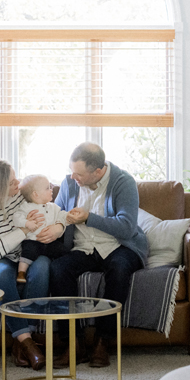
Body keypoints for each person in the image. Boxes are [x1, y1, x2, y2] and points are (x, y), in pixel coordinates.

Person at [50, 142, 148, 368]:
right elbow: (57, 213)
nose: (73, 177)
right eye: (72, 171)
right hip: (83, 247)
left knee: (120, 269)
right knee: (58, 269)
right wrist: (56, 224)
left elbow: (126, 227)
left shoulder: (123, 182)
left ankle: (103, 341)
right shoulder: (69, 183)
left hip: (118, 245)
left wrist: (88, 218)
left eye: (79, 174)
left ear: (98, 170)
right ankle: (73, 343)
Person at [0, 157, 63, 371]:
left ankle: (23, 343)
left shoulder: (18, 199)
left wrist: (58, 227)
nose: (19, 184)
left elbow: (49, 210)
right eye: (12, 182)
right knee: (3, 274)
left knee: (43, 263)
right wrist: (22, 232)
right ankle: (28, 343)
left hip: (19, 256)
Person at [13, 174, 69, 283]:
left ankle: (59, 270)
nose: (51, 190)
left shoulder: (53, 207)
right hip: (33, 240)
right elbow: (16, 218)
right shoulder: (26, 207)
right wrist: (27, 223)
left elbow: (61, 215)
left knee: (63, 251)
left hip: (50, 242)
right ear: (36, 194)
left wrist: (67, 217)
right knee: (28, 251)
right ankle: (21, 273)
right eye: (48, 188)